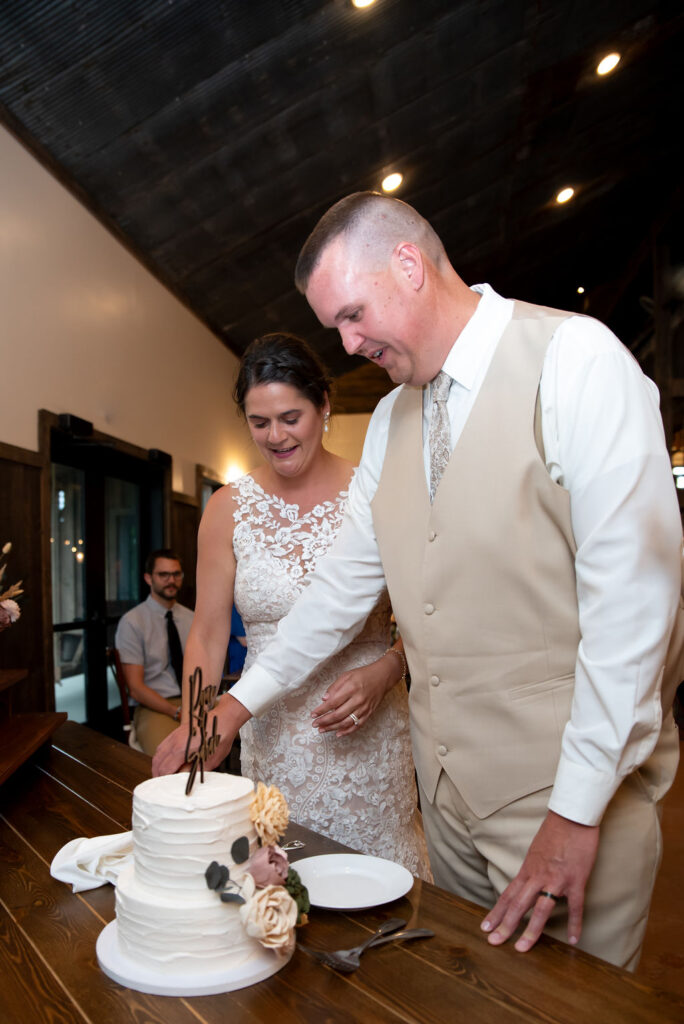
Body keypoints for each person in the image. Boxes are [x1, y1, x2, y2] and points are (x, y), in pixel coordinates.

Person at [154, 192, 683, 970]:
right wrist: (232, 708)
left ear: (409, 264)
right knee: (466, 994)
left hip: (564, 798)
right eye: (335, 324)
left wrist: (575, 811)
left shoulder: (577, 359)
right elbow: (339, 592)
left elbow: (636, 608)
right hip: (443, 801)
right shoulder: (394, 422)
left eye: (353, 314)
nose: (347, 341)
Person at [155, 332, 431, 877]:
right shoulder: (227, 508)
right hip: (271, 730)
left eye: (290, 417)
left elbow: (426, 615)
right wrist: (198, 722)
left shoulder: (373, 493)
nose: (276, 436)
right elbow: (208, 633)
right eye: (260, 423)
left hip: (366, 730)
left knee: (381, 886)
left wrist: (385, 670)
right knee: (283, 884)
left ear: (324, 406)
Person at [115, 549, 193, 756]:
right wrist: (176, 712)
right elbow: (136, 689)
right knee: (171, 760)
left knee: (213, 754)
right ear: (149, 578)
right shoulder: (133, 622)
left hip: (192, 703)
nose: (171, 580)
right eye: (163, 575)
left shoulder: (191, 618)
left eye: (176, 574)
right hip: (156, 707)